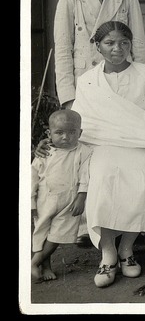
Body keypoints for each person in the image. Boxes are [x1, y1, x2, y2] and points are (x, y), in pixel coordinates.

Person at [52, 0, 145, 248]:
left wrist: (142, 85)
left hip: (123, 85)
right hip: (86, 88)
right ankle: (84, 224)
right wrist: (68, 97)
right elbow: (63, 49)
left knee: (126, 156)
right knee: (88, 155)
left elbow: (141, 50)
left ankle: (127, 223)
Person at [69, 21, 145, 288]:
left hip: (139, 143)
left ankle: (127, 250)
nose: (117, 49)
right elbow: (83, 123)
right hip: (101, 144)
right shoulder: (87, 80)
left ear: (131, 45)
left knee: (141, 175)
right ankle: (108, 252)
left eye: (123, 43)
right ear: (98, 46)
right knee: (101, 175)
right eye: (110, 43)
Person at [30, 109, 90, 283]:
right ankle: (45, 265)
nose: (66, 137)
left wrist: (81, 197)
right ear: (49, 133)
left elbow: (85, 175)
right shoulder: (45, 152)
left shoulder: (82, 152)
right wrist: (31, 203)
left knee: (58, 234)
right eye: (59, 132)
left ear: (80, 132)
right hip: (45, 199)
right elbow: (32, 178)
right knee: (42, 232)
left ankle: (34, 262)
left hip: (69, 200)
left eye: (72, 132)